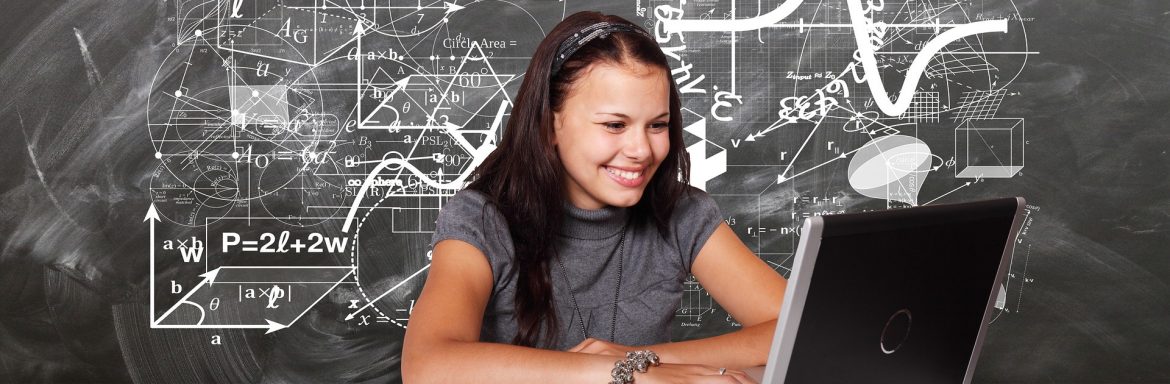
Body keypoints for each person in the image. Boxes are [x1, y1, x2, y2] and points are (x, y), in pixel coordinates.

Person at [402, 11, 787, 384]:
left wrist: (640, 360)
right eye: (614, 125)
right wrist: (618, 373)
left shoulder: (684, 213)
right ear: (550, 125)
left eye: (658, 125)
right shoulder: (481, 219)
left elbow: (800, 324)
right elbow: (428, 366)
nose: (641, 150)